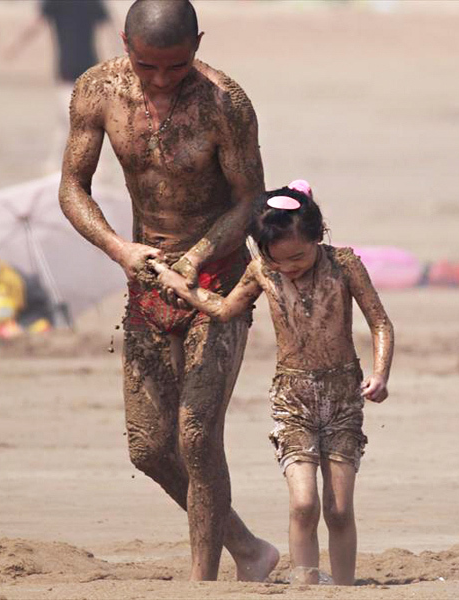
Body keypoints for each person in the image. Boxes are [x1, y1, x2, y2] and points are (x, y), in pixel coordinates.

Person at [58, 0, 277, 582]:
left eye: (176, 67)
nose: (160, 80)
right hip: (147, 277)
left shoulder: (225, 103)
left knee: (198, 434)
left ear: (198, 45)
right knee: (150, 448)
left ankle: (203, 584)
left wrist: (198, 256)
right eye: (147, 65)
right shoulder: (97, 89)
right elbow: (72, 189)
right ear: (126, 43)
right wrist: (121, 250)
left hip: (219, 278)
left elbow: (250, 200)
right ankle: (250, 549)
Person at [153, 180, 395, 585]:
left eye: (298, 257)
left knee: (338, 509)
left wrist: (380, 373)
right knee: (304, 504)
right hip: (292, 398)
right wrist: (186, 288)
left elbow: (380, 323)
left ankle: (346, 588)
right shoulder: (262, 271)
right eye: (279, 260)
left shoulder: (345, 265)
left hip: (343, 398)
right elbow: (226, 309)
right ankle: (306, 582)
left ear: (318, 236)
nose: (290, 268)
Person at [5, 0, 116, 171]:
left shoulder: (55, 2)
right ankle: (57, 161)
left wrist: (15, 46)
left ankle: (92, 163)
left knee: (73, 118)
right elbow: (111, 29)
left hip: (69, 67)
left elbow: (34, 26)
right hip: (90, 65)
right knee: (69, 118)